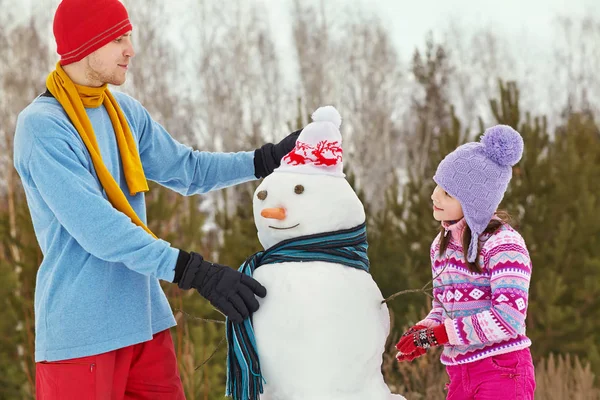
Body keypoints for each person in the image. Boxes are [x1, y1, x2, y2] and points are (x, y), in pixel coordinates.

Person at [12, 0, 299, 398]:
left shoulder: (123, 112)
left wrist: (263, 160)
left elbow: (189, 169)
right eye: (119, 38)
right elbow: (99, 229)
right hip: (83, 334)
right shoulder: (42, 128)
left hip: (145, 324)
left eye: (129, 36)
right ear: (85, 44)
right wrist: (195, 272)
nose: (131, 49)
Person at [395, 125, 536, 399]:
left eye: (447, 193)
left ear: (475, 203)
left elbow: (508, 319)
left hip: (502, 370)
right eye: (438, 185)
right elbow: (443, 307)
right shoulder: (441, 246)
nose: (435, 195)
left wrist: (439, 335)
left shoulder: (504, 245)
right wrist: (423, 331)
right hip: (459, 373)